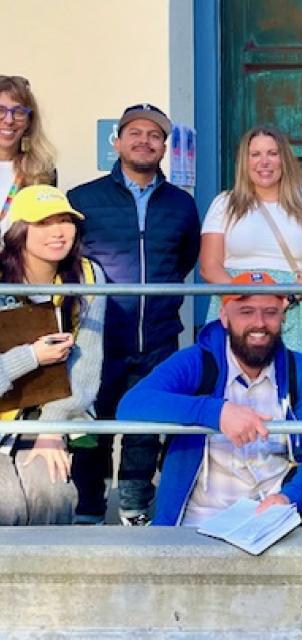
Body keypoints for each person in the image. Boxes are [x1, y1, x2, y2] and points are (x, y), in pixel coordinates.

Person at [116, 272, 302, 527]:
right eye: (245, 311)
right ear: (224, 316)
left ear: (283, 317)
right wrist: (215, 413)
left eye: (270, 312)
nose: (259, 323)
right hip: (202, 516)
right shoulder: (198, 361)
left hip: (271, 509)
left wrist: (289, 497)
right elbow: (131, 405)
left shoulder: (298, 368)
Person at [67, 103, 201, 525]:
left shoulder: (180, 204)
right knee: (91, 424)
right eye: (135, 133)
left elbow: (184, 258)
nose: (145, 141)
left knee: (145, 426)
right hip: (96, 335)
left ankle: (134, 507)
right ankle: (88, 507)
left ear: (164, 146)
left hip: (157, 335)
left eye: (154, 135)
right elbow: (70, 261)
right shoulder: (84, 198)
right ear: (118, 141)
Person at [199, 126, 302, 403]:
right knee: (230, 383)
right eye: (255, 154)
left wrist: (286, 297)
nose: (264, 162)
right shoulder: (224, 204)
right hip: (235, 304)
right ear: (244, 162)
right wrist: (240, 299)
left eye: (272, 153)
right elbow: (209, 264)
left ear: (284, 159)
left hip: (292, 306)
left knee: (299, 383)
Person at [0, 185, 105, 525]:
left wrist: (52, 429)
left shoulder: (88, 275)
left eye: (65, 221)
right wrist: (30, 356)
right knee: (8, 504)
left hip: (46, 416)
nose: (59, 232)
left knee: (52, 494)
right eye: (44, 223)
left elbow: (87, 366)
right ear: (19, 231)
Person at [0, 75, 57, 237]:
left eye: (18, 112)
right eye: (0, 110)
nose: (9, 120)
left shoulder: (42, 172)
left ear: (28, 122)